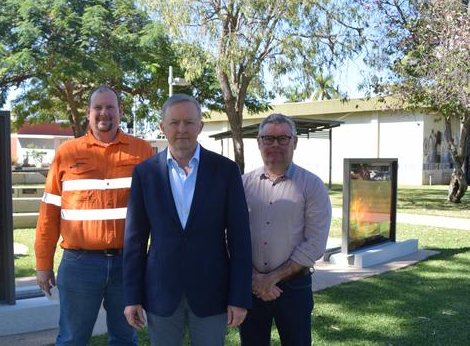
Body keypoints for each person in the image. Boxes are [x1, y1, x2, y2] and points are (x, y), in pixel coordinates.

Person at [123, 94, 252, 346]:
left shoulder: (226, 171)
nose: (181, 129)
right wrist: (132, 297)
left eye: (189, 122)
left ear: (200, 126)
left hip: (212, 293)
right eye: (174, 122)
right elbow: (134, 241)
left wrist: (239, 297)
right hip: (161, 293)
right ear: (162, 127)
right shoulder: (145, 173)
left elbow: (240, 239)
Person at [34, 85, 153, 346]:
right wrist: (43, 264)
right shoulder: (67, 153)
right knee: (72, 339)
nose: (104, 113)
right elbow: (49, 212)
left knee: (125, 338)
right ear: (88, 113)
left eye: (110, 107)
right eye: (98, 108)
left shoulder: (142, 151)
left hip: (128, 264)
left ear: (120, 112)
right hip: (80, 264)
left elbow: (155, 210)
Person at [240, 113, 332, 345]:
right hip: (250, 287)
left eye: (283, 138)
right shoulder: (242, 185)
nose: (275, 145)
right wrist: (255, 279)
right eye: (268, 138)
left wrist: (271, 279)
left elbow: (315, 244)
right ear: (259, 143)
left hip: (294, 289)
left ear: (295, 142)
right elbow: (228, 235)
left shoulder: (312, 185)